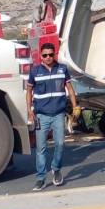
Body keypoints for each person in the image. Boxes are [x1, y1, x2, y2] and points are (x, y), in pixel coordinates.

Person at [28, 42, 79, 190]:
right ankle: (40, 178)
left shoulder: (62, 69)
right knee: (41, 148)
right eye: (45, 55)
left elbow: (69, 88)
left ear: (54, 54)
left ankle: (56, 169)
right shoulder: (35, 71)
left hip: (58, 114)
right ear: (41, 57)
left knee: (60, 144)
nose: (48, 57)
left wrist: (75, 106)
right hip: (41, 116)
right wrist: (30, 111)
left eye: (51, 54)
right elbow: (29, 91)